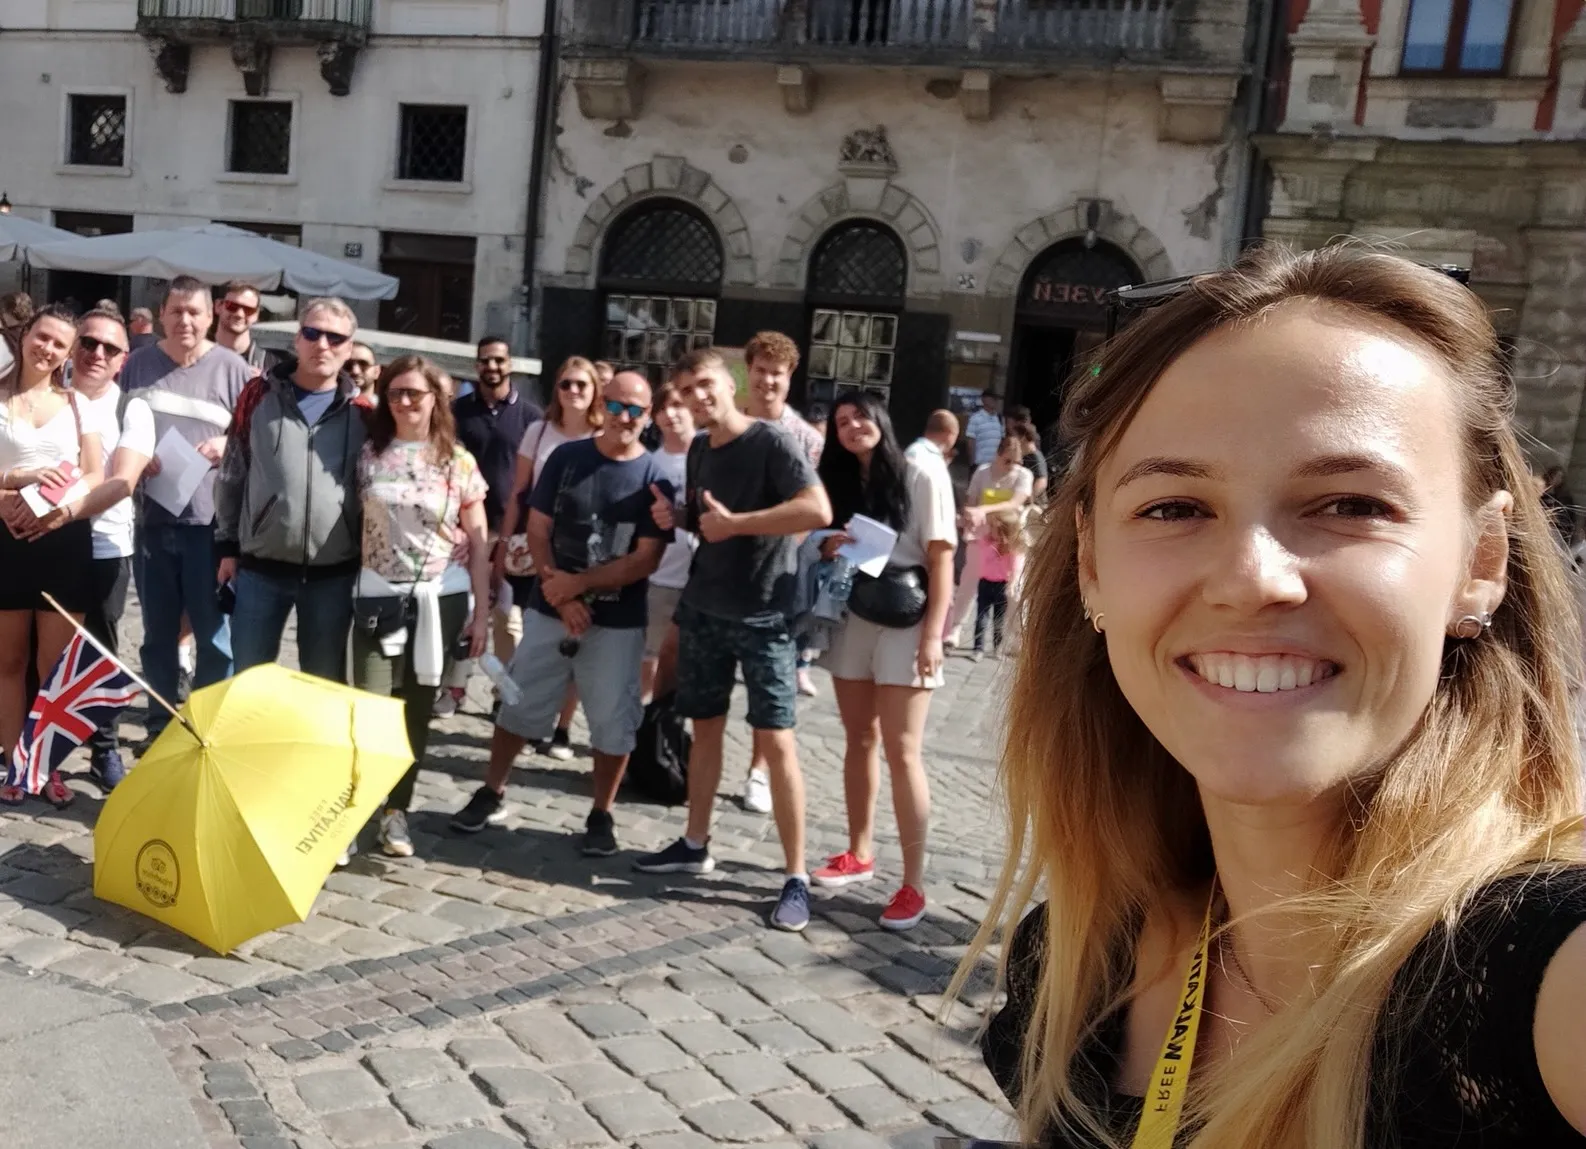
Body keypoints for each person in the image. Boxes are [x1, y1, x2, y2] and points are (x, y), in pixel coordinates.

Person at [972, 245, 1586, 1148]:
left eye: (1350, 504)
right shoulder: (1076, 961)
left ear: (1481, 561)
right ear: (1092, 564)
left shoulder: (1544, 975)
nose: (1251, 579)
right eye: (1174, 507)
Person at [635, 348, 832, 932]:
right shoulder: (699, 448)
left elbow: (816, 509)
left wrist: (736, 524)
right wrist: (679, 520)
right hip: (705, 608)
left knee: (777, 742)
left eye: (705, 385)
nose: (698, 398)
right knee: (705, 729)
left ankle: (795, 876)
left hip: (765, 616)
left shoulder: (772, 442)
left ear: (731, 383)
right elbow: (708, 523)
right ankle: (695, 842)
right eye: (686, 391)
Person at [451, 372, 670, 854]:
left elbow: (646, 558)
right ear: (602, 406)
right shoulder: (568, 459)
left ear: (648, 415)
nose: (625, 418)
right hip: (551, 608)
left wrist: (582, 585)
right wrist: (562, 595)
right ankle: (492, 790)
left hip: (617, 621)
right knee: (519, 703)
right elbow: (538, 529)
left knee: (614, 720)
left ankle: (602, 814)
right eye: (617, 406)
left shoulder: (654, 477)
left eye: (636, 410)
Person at [810, 392, 955, 931]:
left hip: (908, 616)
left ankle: (913, 884)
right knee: (859, 738)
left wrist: (934, 635)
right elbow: (819, 535)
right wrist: (827, 544)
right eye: (841, 421)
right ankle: (859, 851)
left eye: (860, 416)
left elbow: (942, 555)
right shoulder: (842, 477)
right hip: (855, 611)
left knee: (903, 751)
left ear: (881, 419)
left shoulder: (919, 471)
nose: (852, 426)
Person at [353, 355, 490, 859]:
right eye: (395, 393)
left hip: (439, 598)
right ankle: (356, 811)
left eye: (415, 393)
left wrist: (481, 614)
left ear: (437, 399)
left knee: (414, 711)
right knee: (370, 707)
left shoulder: (458, 461)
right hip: (376, 595)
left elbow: (480, 542)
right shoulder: (369, 453)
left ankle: (396, 812)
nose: (405, 402)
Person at [120, 276, 252, 740]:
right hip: (151, 522)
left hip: (210, 527)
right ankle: (159, 728)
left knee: (214, 637)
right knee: (157, 636)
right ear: (161, 315)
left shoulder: (235, 370)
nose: (185, 321)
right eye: (176, 311)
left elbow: (258, 440)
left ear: (211, 316)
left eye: (194, 312)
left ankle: (203, 732)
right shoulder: (137, 365)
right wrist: (136, 457)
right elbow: (118, 430)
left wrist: (227, 444)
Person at [214, 298, 365, 682]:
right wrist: (227, 545)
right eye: (312, 333)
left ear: (349, 348)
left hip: (333, 574)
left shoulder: (363, 412)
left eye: (335, 337)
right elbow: (232, 472)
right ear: (297, 339)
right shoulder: (257, 395)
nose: (322, 345)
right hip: (261, 569)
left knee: (323, 682)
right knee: (249, 680)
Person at [0, 306, 105, 805]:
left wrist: (54, 509)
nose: (47, 348)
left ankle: (49, 766)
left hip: (62, 539)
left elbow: (95, 474)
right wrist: (12, 486)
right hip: (4, 536)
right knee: (8, 661)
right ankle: (14, 763)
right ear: (25, 335)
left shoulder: (79, 404)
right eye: (42, 337)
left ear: (68, 354)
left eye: (60, 344)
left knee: (53, 667)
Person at [44, 310, 152, 790]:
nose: (97, 354)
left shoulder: (133, 409)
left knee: (100, 650)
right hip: (40, 542)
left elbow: (123, 481)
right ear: (74, 347)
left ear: (123, 359)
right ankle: (27, 741)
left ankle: (103, 747)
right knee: (34, 645)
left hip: (103, 544)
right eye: (88, 342)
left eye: (110, 348)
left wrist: (64, 514)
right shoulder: (45, 396)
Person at [488, 356, 602, 750]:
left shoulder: (601, 434)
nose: (573, 391)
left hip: (580, 550)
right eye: (566, 384)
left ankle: (558, 724)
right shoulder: (538, 431)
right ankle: (516, 704)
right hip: (531, 545)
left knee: (571, 640)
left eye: (581, 384)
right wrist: (503, 545)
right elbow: (518, 493)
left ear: (594, 391)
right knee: (518, 631)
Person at [740, 331, 825, 808]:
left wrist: (774, 547)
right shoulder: (727, 423)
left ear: (790, 377)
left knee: (766, 680)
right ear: (748, 371)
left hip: (776, 576)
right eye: (761, 370)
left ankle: (757, 770)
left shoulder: (807, 439)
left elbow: (810, 510)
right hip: (719, 568)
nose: (768, 381)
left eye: (777, 373)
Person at [452, 334, 544, 690]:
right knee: (462, 613)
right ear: (476, 365)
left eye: (499, 360)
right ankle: (455, 688)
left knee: (509, 621)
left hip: (513, 532)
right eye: (485, 360)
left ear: (510, 365)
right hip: (466, 530)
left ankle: (504, 693)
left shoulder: (531, 417)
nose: (492, 366)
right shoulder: (457, 413)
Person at [943, 432, 1033, 648]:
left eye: (1016, 461)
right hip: (983, 535)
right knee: (968, 582)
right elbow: (971, 500)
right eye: (1007, 460)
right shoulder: (983, 472)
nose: (1012, 466)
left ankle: (1020, 637)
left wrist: (984, 509)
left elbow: (1015, 502)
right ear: (998, 454)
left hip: (1010, 536)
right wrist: (969, 514)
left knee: (1015, 587)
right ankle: (954, 628)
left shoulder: (1023, 475)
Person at [642, 379, 697, 702]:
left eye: (678, 405)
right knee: (650, 657)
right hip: (660, 576)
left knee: (689, 664)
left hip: (702, 579)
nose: (670, 414)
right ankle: (646, 720)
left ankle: (673, 722)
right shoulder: (651, 462)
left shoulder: (709, 455)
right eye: (662, 408)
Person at [972, 509, 1024, 660]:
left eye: (993, 527)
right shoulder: (988, 542)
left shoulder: (1011, 549)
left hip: (1000, 585)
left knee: (998, 619)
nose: (990, 529)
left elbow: (1016, 568)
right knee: (982, 617)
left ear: (1003, 531)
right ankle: (979, 648)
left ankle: (995, 648)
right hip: (986, 583)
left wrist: (1012, 583)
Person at [212, 281, 280, 374]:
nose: (239, 314)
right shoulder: (197, 356)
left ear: (256, 314)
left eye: (248, 310)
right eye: (232, 306)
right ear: (218, 306)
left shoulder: (272, 365)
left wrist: (263, 382)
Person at [963, 388, 1003, 469]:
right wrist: (972, 463)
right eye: (993, 398)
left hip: (996, 465)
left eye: (997, 399)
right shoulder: (975, 418)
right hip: (980, 464)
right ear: (984, 399)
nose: (995, 401)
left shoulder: (1000, 419)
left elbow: (1002, 441)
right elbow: (971, 441)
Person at [347, 343, 379, 407]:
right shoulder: (329, 407)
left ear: (376, 371)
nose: (355, 371)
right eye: (348, 364)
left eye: (363, 364)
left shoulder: (389, 409)